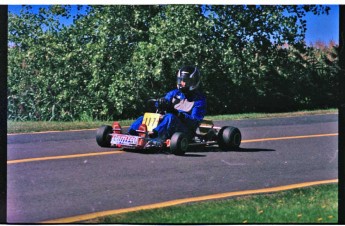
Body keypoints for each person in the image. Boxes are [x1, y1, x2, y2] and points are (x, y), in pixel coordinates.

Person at [128, 65, 207, 146]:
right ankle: (131, 134)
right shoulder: (174, 93)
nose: (182, 84)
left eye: (186, 81)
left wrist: (178, 114)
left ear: (194, 82)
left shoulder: (199, 100)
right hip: (169, 124)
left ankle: (153, 135)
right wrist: (160, 103)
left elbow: (194, 122)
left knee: (170, 117)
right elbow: (163, 102)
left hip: (185, 130)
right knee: (145, 117)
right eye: (181, 81)